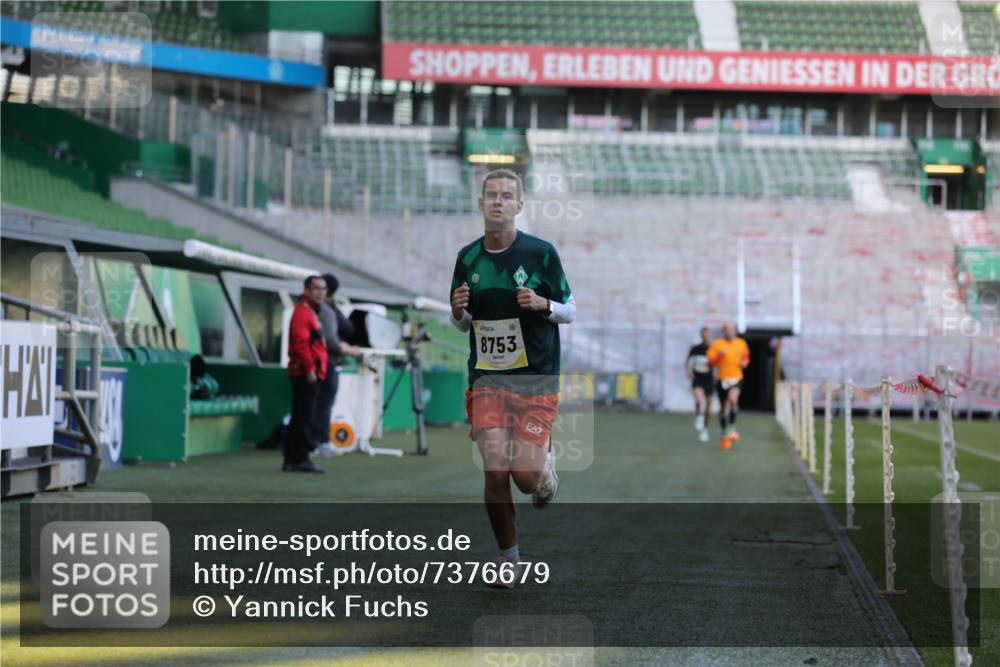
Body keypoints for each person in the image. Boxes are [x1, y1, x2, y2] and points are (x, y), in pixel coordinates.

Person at [450, 168, 576, 588]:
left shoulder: (541, 253)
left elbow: (570, 309)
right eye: (492, 194)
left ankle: (544, 465)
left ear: (519, 205)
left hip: (535, 381)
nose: (498, 201)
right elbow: (464, 323)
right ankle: (510, 559)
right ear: (480, 203)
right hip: (488, 381)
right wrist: (457, 311)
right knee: (493, 469)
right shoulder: (467, 258)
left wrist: (544, 304)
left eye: (507, 195)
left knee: (525, 480)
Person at [311, 272, 361, 457]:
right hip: (325, 363)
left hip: (317, 363)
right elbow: (331, 341)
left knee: (318, 404)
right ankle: (320, 443)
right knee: (323, 404)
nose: (320, 292)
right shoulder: (325, 310)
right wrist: (348, 349)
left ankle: (314, 442)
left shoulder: (318, 308)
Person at [284, 275, 328, 473]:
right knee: (304, 417)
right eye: (316, 288)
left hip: (308, 372)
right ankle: (299, 459)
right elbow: (301, 344)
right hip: (305, 373)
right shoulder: (302, 312)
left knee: (300, 416)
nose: (320, 293)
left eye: (323, 289)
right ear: (307, 290)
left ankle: (292, 459)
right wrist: (310, 369)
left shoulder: (309, 312)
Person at [706, 322, 750, 450]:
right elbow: (710, 362)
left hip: (736, 377)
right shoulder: (717, 344)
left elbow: (746, 357)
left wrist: (745, 362)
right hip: (722, 378)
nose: (729, 332)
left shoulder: (741, 343)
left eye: (732, 330)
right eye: (727, 330)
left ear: (735, 331)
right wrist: (719, 356)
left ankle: (732, 426)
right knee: (724, 407)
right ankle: (725, 433)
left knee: (733, 399)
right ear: (724, 331)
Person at [685, 326, 714, 443]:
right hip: (698, 378)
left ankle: (705, 429)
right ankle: (699, 416)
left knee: (708, 406)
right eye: (703, 334)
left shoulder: (713, 348)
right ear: (701, 335)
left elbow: (717, 362)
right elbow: (687, 362)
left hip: (709, 379)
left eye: (707, 333)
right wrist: (689, 372)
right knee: (698, 399)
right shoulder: (695, 348)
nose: (705, 336)